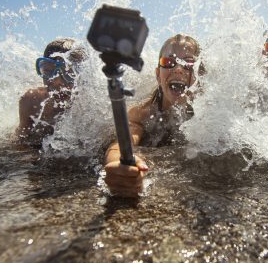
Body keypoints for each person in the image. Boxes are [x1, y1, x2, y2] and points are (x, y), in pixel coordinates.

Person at [103, 34, 201, 197]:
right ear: (158, 74)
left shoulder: (208, 113)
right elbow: (121, 142)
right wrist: (118, 163)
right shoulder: (142, 113)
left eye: (189, 63)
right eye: (168, 62)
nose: (178, 69)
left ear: (200, 76)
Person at [14, 38, 85, 147]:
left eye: (68, 73)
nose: (56, 81)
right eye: (47, 71)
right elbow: (21, 141)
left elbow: (113, 141)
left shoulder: (90, 106)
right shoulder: (31, 101)